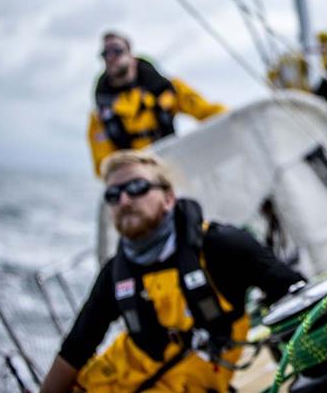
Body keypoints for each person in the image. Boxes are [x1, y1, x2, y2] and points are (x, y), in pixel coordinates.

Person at [41, 151, 304, 392]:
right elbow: (76, 349)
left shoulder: (220, 246)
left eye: (137, 187)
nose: (124, 200)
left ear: (168, 198)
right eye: (113, 195)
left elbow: (296, 294)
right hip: (112, 379)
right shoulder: (114, 275)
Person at [88, 31, 226, 176]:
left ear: (131, 54)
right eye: (105, 53)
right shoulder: (99, 116)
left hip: (173, 168)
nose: (110, 57)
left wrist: (235, 120)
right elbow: (103, 164)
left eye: (116, 50)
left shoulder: (169, 90)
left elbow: (208, 112)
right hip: (138, 180)